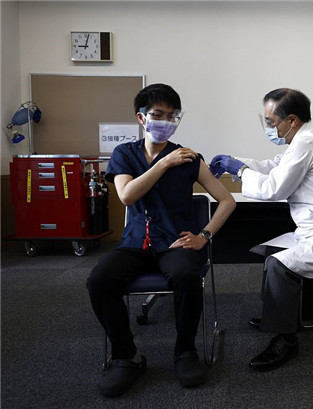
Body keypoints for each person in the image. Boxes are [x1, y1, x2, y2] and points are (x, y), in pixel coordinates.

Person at [87, 83, 236, 397]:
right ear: (141, 118)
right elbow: (127, 195)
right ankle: (126, 356)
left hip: (175, 242)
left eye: (172, 116)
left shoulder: (189, 159)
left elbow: (227, 200)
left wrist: (204, 236)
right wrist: (164, 163)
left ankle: (186, 351)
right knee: (99, 279)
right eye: (158, 114)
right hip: (135, 243)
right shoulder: (124, 153)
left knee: (186, 274)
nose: (166, 121)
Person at [209, 88, 313, 371]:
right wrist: (235, 164)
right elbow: (273, 167)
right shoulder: (302, 142)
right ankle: (281, 315)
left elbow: (273, 187)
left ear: (292, 120)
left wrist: (240, 171)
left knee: (279, 264)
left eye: (271, 122)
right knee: (273, 250)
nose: (268, 127)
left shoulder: (307, 144)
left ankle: (285, 338)